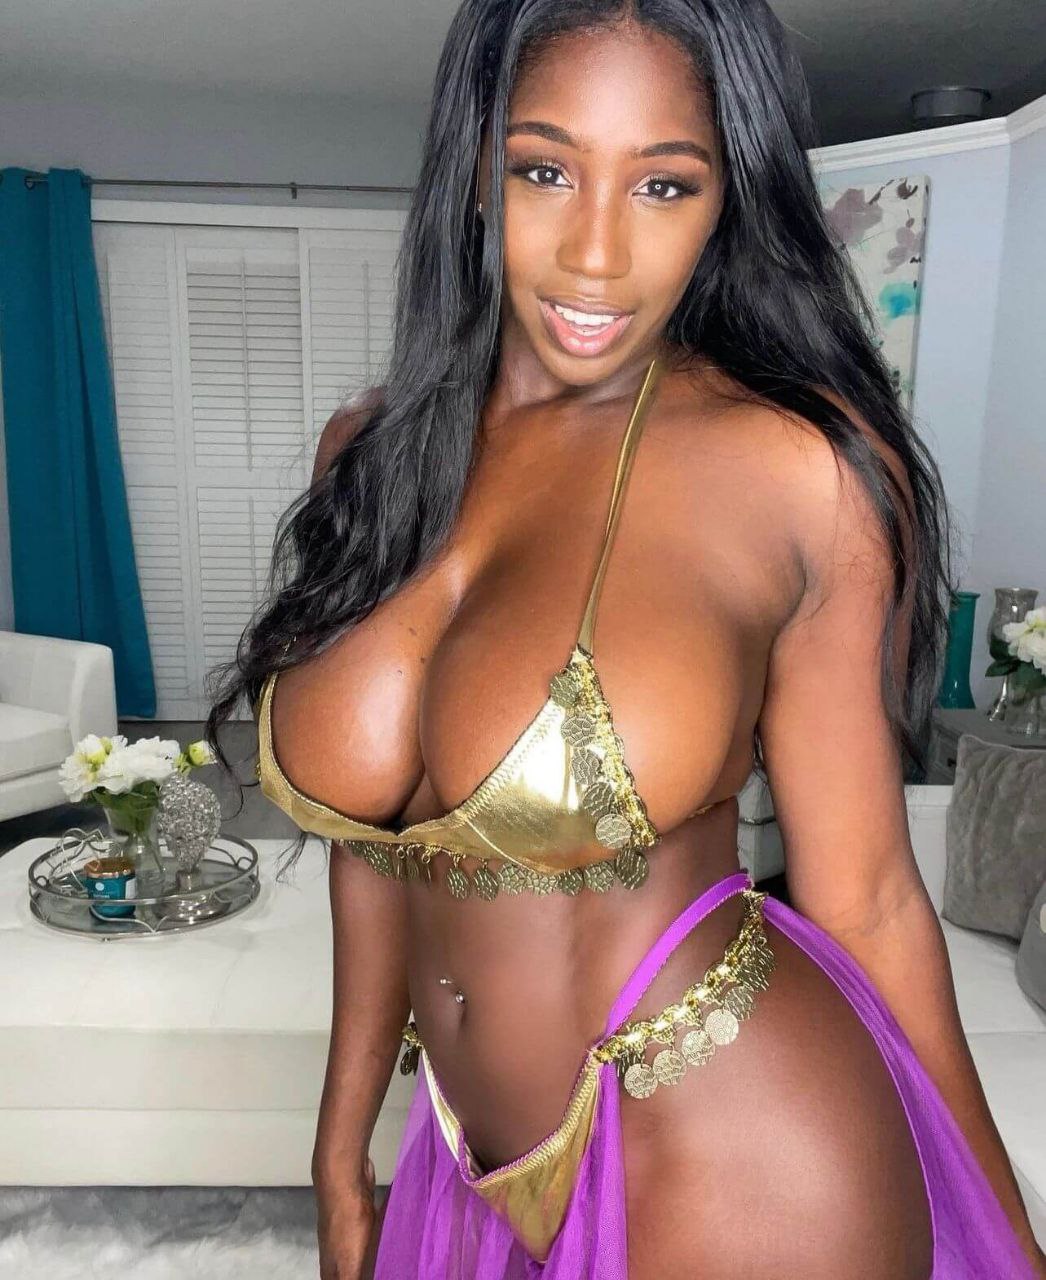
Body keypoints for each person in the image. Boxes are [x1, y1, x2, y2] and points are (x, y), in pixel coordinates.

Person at [206, 1, 1046, 1276]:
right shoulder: (370, 456)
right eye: (543, 169)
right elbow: (373, 852)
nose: (594, 255)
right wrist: (337, 1153)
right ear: (474, 170)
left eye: (663, 184)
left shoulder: (795, 470)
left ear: (725, 203)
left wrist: (1005, 1231)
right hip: (462, 1154)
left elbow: (868, 894)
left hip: (735, 1147)